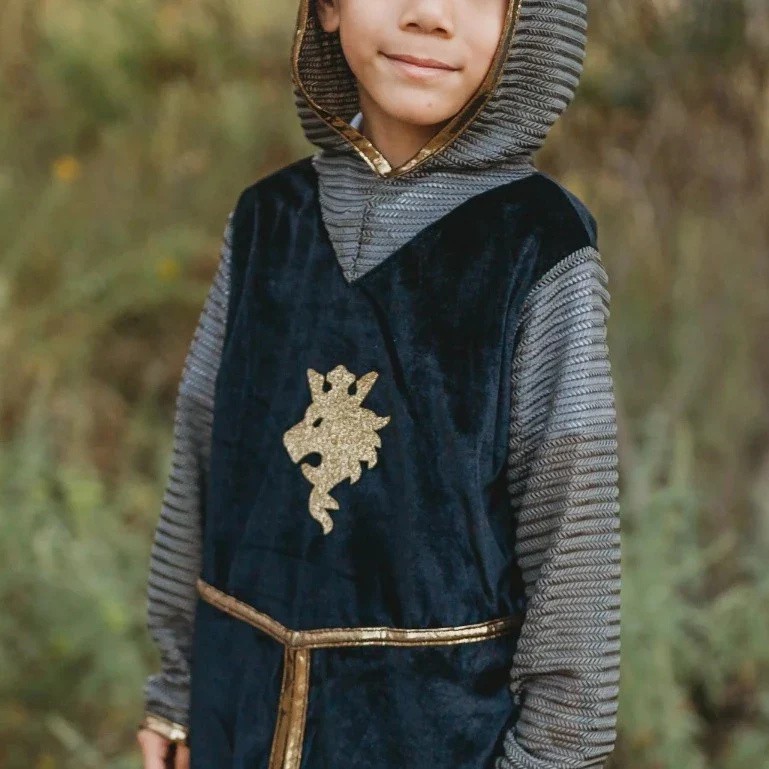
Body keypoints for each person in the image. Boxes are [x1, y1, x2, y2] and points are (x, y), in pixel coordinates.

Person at [136, 0, 622, 768]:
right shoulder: (267, 221)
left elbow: (572, 538)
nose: (429, 14)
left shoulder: (539, 246)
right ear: (328, 8)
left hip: (432, 738)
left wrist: (553, 754)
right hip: (236, 718)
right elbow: (202, 458)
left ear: (526, 22)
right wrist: (175, 689)